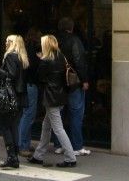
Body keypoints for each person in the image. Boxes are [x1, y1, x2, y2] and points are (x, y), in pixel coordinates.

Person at [28, 34, 77, 168]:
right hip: (60, 96)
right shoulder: (61, 56)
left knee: (58, 128)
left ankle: (70, 157)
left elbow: (39, 77)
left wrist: (39, 60)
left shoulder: (46, 60)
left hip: (51, 97)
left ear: (46, 45)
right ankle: (38, 155)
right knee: (46, 126)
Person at [54, 16, 91, 156]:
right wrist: (85, 80)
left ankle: (59, 145)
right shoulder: (75, 41)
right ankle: (77, 146)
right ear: (71, 27)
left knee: (59, 115)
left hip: (58, 83)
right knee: (76, 114)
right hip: (73, 83)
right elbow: (79, 61)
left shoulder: (54, 41)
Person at [0, 34, 29, 169]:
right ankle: (14, 157)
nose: (5, 43)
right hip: (20, 97)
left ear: (12, 43)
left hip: (9, 97)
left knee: (5, 125)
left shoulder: (10, 56)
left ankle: (11, 157)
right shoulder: (22, 57)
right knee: (14, 126)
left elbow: (10, 75)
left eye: (7, 41)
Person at [17, 27, 41, 156]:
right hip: (31, 85)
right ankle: (23, 145)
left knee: (25, 114)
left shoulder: (25, 48)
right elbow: (34, 68)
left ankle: (25, 142)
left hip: (25, 85)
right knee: (28, 115)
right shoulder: (32, 50)